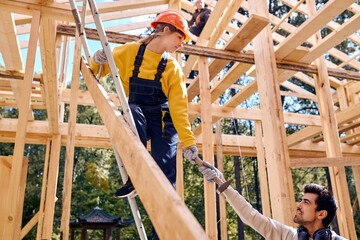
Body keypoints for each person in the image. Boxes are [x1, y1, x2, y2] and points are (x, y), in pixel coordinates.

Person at [90, 10, 199, 239]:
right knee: (130, 111)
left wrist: (189, 143)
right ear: (166, 29)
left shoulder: (172, 68)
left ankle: (163, 235)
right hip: (137, 116)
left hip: (163, 123)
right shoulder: (129, 52)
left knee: (165, 178)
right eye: (180, 37)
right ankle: (136, 176)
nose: (182, 44)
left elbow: (179, 110)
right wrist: (97, 58)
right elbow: (97, 70)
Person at [199, 165, 346, 240]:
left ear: (321, 214)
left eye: (306, 202)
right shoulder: (288, 235)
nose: (298, 205)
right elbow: (250, 216)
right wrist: (222, 182)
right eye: (300, 200)